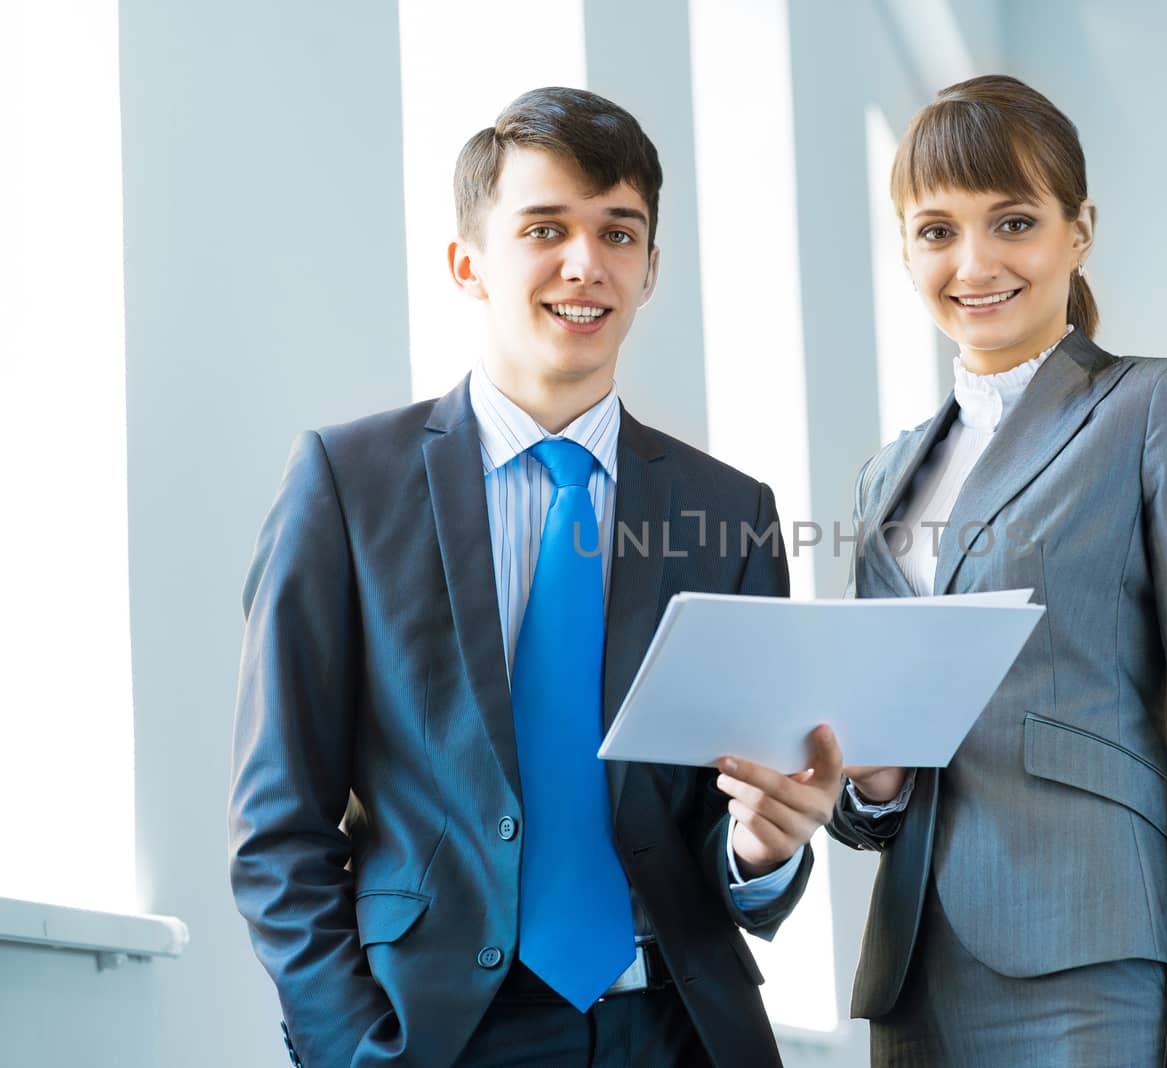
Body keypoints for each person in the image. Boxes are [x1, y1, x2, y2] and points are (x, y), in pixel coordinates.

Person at [229, 86, 840, 1068]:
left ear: (649, 270)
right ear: (469, 264)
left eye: (619, 233)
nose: (585, 264)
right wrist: (351, 1048)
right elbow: (278, 826)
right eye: (545, 228)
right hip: (442, 1034)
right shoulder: (348, 485)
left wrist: (763, 852)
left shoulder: (728, 512)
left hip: (677, 1030)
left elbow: (718, 823)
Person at [830, 74, 1167, 1066]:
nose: (975, 261)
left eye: (1014, 220)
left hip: (1091, 964)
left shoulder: (1160, 408)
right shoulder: (885, 476)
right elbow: (876, 775)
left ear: (1078, 230)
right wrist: (867, 787)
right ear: (904, 247)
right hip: (915, 980)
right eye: (936, 230)